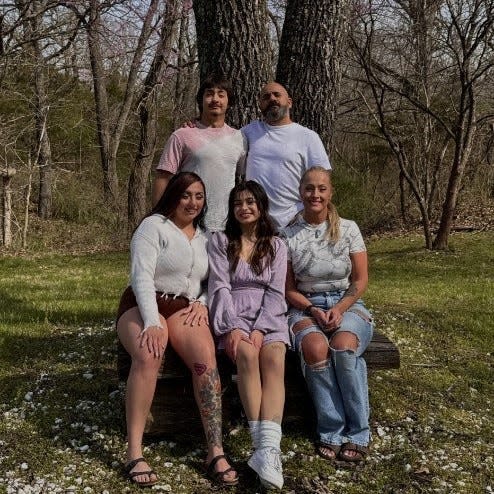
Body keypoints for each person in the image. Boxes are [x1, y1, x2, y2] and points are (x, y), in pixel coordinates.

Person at [116, 172, 238, 488]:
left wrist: (204, 302)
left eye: (199, 196)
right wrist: (153, 322)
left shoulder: (207, 238)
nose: (193, 203)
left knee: (205, 358)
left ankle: (214, 450)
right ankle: (134, 451)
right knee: (148, 353)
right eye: (186, 195)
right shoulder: (153, 227)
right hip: (145, 301)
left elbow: (216, 281)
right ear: (173, 195)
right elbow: (141, 277)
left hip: (185, 305)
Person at [281, 166, 374, 463]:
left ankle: (358, 432)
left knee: (343, 348)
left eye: (321, 188)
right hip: (304, 305)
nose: (315, 194)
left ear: (330, 192)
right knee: (316, 348)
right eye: (309, 188)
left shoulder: (348, 228)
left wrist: (338, 309)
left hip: (346, 303)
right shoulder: (288, 234)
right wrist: (312, 309)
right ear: (300, 192)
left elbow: (359, 281)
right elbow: (288, 289)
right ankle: (331, 430)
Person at [207, 181, 289, 490]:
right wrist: (235, 326)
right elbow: (218, 286)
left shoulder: (277, 246)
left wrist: (260, 327)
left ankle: (267, 450)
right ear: (232, 209)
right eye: (238, 203)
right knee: (246, 354)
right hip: (232, 314)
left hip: (269, 317)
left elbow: (276, 291)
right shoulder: (221, 242)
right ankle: (263, 448)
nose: (244, 207)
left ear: (261, 206)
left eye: (251, 202)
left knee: (274, 356)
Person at [152, 74, 246, 232]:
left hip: (227, 226)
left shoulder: (240, 138)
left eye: (221, 95)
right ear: (201, 100)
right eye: (209, 94)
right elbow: (163, 177)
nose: (215, 99)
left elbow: (245, 178)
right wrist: (159, 219)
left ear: (229, 102)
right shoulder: (182, 135)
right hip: (187, 224)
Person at [243, 82, 332, 230]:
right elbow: (221, 138)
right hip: (257, 223)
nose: (272, 98)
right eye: (266, 97)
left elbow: (323, 180)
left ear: (289, 102)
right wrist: (195, 124)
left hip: (296, 221)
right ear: (260, 105)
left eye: (277, 95)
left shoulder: (308, 137)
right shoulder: (248, 133)